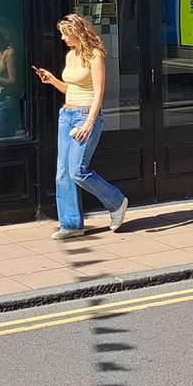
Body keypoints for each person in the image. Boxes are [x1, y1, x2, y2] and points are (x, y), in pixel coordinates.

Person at [34, 13, 127, 239]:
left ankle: (116, 201)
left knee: (78, 171)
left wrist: (90, 122)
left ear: (78, 32)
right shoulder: (70, 56)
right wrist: (52, 80)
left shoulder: (95, 56)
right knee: (63, 173)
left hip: (85, 116)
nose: (64, 39)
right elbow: (70, 89)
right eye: (62, 35)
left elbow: (98, 92)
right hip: (66, 115)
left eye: (66, 34)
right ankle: (71, 225)